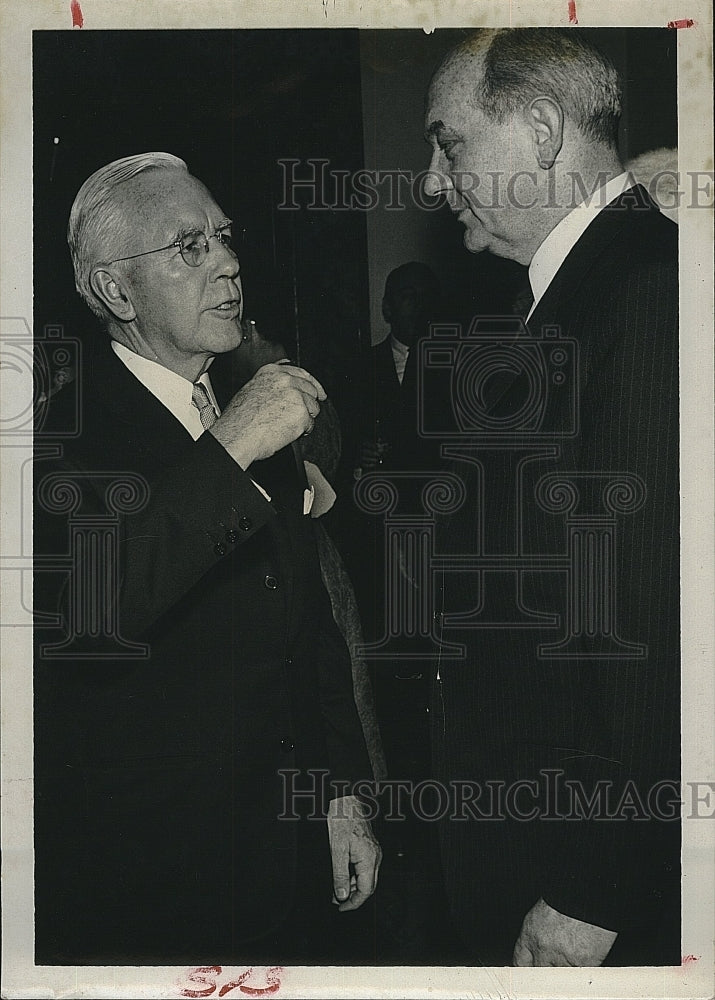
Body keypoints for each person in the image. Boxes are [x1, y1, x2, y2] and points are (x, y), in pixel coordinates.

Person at [33, 152, 381, 965]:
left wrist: (338, 795)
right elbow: (94, 616)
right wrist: (230, 449)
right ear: (117, 291)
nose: (228, 262)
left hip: (287, 866)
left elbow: (308, 626)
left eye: (223, 238)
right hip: (151, 892)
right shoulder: (61, 434)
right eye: (188, 246)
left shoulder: (246, 405)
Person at [422, 29, 679, 966]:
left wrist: (592, 889)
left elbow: (650, 625)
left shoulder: (645, 294)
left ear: (538, 128)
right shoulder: (565, 298)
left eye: (447, 144)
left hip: (582, 882)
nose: (428, 180)